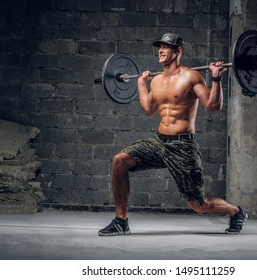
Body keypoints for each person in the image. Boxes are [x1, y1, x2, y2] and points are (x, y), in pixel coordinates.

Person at [98, 33, 247, 236]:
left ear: (178, 51)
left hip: (183, 146)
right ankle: (121, 221)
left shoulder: (191, 76)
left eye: (166, 47)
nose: (160, 50)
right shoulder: (157, 81)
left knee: (197, 205)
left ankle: (235, 212)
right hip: (160, 142)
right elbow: (149, 109)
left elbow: (213, 106)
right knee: (120, 160)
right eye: (159, 46)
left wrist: (216, 77)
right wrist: (141, 84)